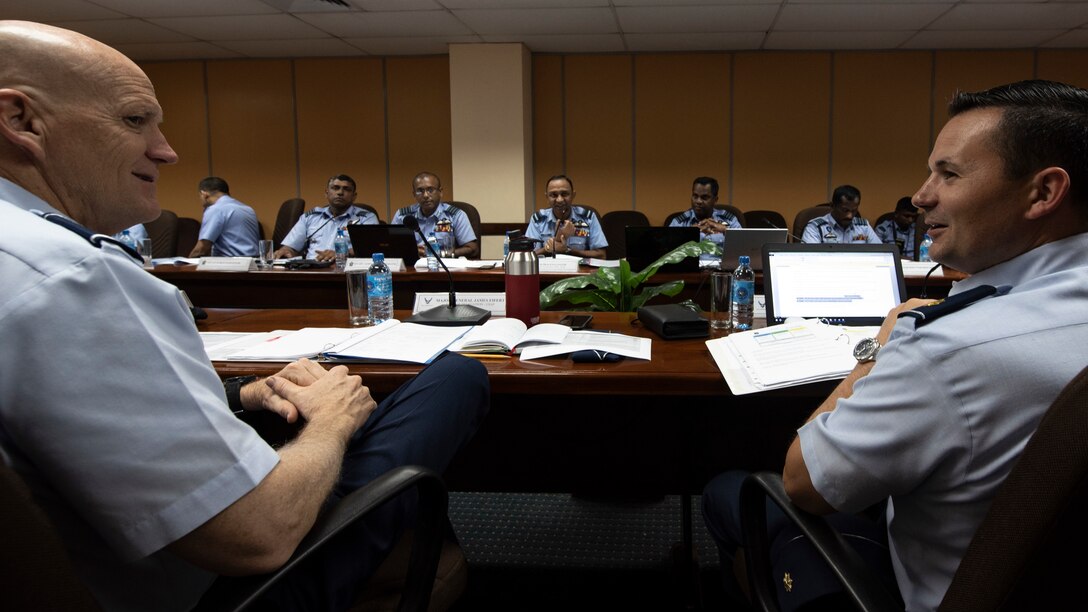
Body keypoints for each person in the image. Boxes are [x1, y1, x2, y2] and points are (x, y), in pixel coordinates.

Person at [0, 20, 489, 611]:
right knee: (456, 376)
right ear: (20, 120)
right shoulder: (66, 276)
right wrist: (332, 420)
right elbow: (257, 537)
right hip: (233, 588)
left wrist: (242, 394)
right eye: (133, 121)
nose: (166, 150)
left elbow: (62, 414)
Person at [702, 79, 1088, 611]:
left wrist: (882, 345)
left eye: (948, 174)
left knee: (727, 489)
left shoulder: (950, 346)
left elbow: (804, 484)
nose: (922, 195)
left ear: (1044, 192)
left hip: (937, 593)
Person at [274, 173, 378, 262]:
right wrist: (286, 251)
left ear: (354, 196)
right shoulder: (310, 218)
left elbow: (371, 248)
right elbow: (290, 246)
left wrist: (342, 253)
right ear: (326, 193)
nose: (340, 192)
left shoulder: (366, 218)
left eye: (346, 189)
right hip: (312, 271)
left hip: (345, 271)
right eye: (335, 188)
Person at [391, 172, 480, 259]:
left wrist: (437, 254)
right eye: (420, 191)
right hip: (411, 268)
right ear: (414, 194)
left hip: (444, 267)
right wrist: (413, 251)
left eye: (430, 190)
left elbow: (472, 248)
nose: (425, 195)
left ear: (440, 192)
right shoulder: (402, 216)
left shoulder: (455, 215)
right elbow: (392, 246)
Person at [524, 174, 608, 258]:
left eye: (564, 194)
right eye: (554, 195)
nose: (559, 200)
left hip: (579, 269)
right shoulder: (538, 220)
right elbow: (527, 256)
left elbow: (601, 255)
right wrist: (549, 248)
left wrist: (568, 250)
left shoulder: (588, 218)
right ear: (547, 197)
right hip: (548, 270)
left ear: (573, 195)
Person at [667, 176, 742, 261]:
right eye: (695, 196)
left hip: (721, 271)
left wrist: (725, 230)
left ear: (715, 200)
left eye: (704, 197)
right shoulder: (680, 222)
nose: (698, 201)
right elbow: (667, 251)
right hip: (691, 272)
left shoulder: (728, 220)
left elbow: (744, 245)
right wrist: (689, 233)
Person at [187, 176, 259, 257]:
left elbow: (202, 249)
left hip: (230, 265)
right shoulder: (248, 209)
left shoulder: (216, 209)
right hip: (254, 263)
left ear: (204, 194)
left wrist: (186, 264)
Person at [801, 184, 882, 244]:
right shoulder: (815, 228)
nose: (850, 216)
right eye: (845, 210)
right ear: (832, 206)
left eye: (854, 211)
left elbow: (880, 253)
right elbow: (810, 259)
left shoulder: (864, 226)